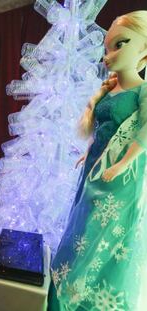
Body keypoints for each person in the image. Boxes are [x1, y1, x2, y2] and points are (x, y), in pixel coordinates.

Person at [49, 11, 147, 310]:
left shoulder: (142, 91)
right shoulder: (110, 90)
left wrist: (122, 163)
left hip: (119, 181)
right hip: (93, 172)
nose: (109, 56)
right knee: (80, 230)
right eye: (107, 49)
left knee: (104, 237)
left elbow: (144, 131)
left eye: (120, 44)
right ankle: (66, 291)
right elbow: (102, 130)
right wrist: (87, 153)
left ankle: (92, 301)